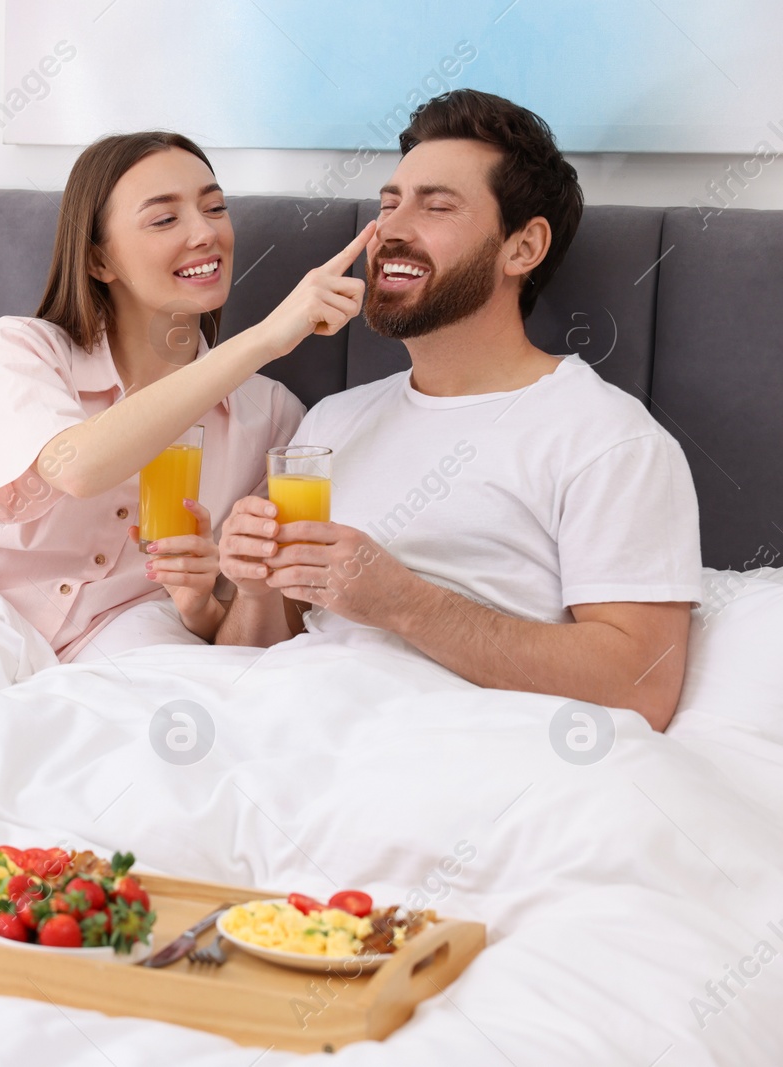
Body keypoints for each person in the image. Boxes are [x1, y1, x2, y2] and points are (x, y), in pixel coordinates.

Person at [215, 90, 702, 731]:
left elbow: (643, 687)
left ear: (522, 248)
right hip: (290, 731)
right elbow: (247, 662)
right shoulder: (331, 421)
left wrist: (406, 604)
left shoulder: (610, 440)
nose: (390, 228)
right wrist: (254, 590)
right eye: (388, 204)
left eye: (437, 206)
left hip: (461, 749)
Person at [0, 131, 373, 662]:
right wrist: (266, 338)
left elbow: (241, 628)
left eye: (215, 207)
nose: (205, 232)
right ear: (99, 262)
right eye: (164, 219)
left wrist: (199, 601)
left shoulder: (271, 418)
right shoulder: (24, 349)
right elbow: (79, 467)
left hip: (112, 644)